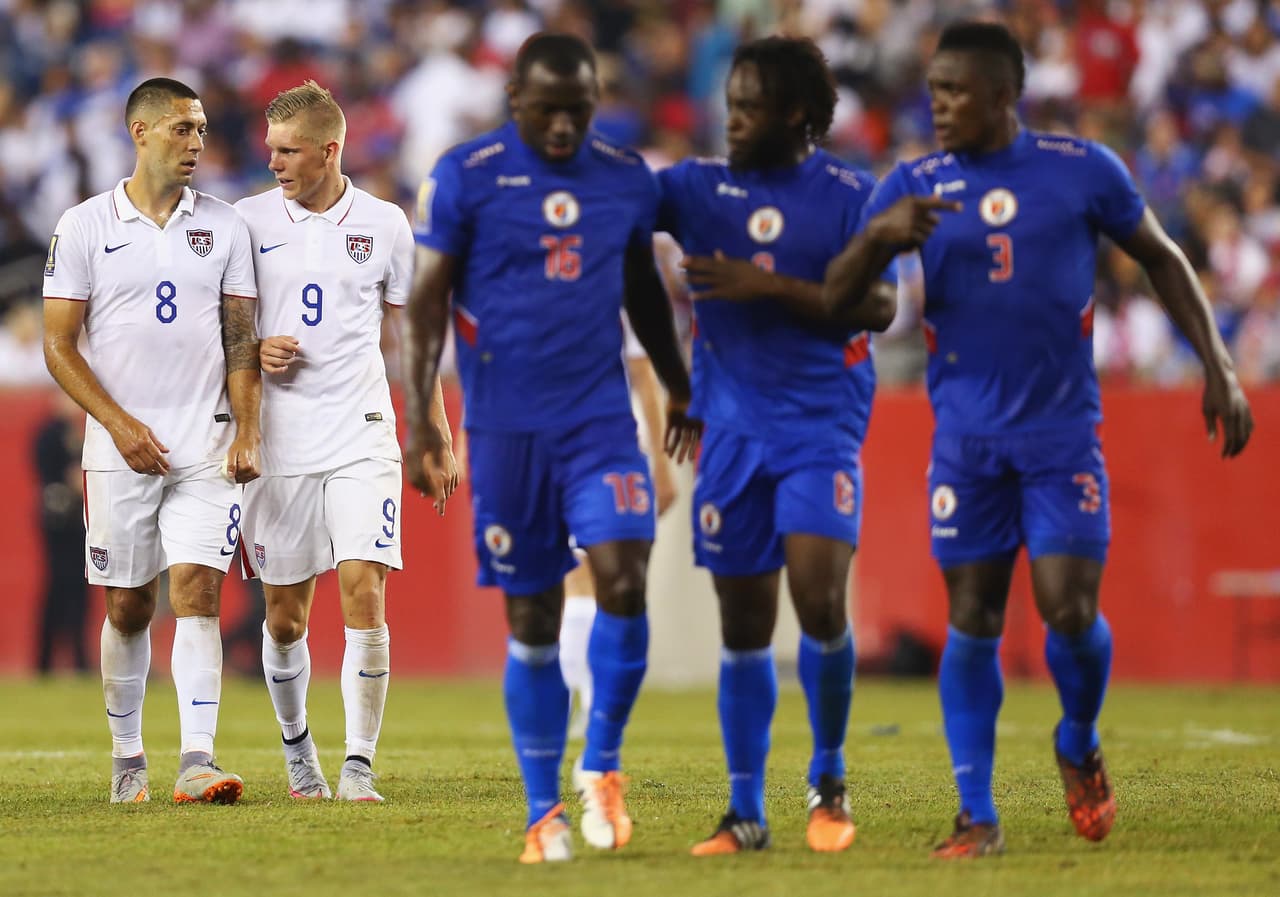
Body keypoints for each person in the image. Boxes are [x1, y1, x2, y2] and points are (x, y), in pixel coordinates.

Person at [824, 21, 1255, 858]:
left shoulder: (1081, 169)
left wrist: (1219, 364)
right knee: (972, 618)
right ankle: (976, 813)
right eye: (934, 89)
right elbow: (840, 297)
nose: (938, 105)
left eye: (955, 92)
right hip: (965, 444)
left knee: (1070, 610)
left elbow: (1162, 258)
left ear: (1003, 96)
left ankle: (1078, 739)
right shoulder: (912, 184)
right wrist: (879, 238)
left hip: (1061, 436)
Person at [403, 33, 699, 863]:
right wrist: (422, 416)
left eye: (580, 109)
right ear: (516, 104)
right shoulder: (467, 175)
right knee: (531, 617)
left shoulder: (624, 177)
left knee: (623, 574)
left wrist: (676, 382)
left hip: (599, 420)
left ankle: (601, 761)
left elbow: (641, 285)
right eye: (549, 111)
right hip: (504, 429)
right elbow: (425, 305)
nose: (565, 126)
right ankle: (544, 812)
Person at [653, 36, 897, 856]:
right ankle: (745, 810)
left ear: (797, 114)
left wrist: (772, 287)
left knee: (821, 597)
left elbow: (884, 306)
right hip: (729, 431)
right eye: (730, 104)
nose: (733, 120)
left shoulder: (844, 193)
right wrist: (673, 376)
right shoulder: (695, 186)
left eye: (751, 107)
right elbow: (617, 219)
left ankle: (828, 781)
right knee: (744, 624)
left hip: (819, 424)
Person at [234, 81, 457, 802]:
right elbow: (223, 327)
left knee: (365, 590)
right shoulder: (245, 220)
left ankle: (359, 764)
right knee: (284, 614)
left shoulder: (387, 224)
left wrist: (436, 434)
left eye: (289, 151)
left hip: (363, 432)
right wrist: (255, 348)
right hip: (279, 441)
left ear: (330, 150)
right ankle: (300, 752)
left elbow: (413, 337)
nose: (275, 164)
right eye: (271, 151)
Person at [42, 77, 261, 804]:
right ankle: (127, 756)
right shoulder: (82, 226)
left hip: (205, 446)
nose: (196, 141)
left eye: (200, 129)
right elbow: (58, 345)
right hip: (118, 450)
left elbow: (241, 344)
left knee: (197, 591)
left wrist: (247, 430)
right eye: (181, 128)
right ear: (140, 133)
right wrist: (118, 423)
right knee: (129, 605)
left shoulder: (227, 226)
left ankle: (197, 758)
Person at [559, 318, 679, 739]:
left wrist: (661, 465)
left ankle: (591, 704)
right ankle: (591, 704)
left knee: (587, 580)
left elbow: (644, 378)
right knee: (583, 580)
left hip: (608, 445)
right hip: (581, 442)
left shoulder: (616, 289)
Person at [33, 391, 90, 675]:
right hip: (60, 521)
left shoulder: (77, 433)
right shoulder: (51, 435)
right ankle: (47, 660)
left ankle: (77, 658)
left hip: (76, 522)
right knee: (61, 588)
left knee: (77, 590)